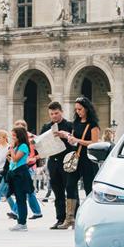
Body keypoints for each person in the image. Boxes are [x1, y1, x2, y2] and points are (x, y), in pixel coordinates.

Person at [59, 96, 100, 230]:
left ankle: (90, 217)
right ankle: (70, 217)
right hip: (76, 158)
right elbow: (73, 137)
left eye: (80, 109)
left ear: (87, 109)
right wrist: (69, 138)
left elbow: (94, 143)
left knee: (89, 188)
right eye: (76, 109)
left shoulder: (93, 125)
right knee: (70, 185)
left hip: (88, 159)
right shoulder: (75, 123)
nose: (78, 112)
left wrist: (77, 140)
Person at [39, 101, 74, 228]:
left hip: (67, 161)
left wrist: (65, 136)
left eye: (56, 113)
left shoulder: (69, 125)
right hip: (53, 162)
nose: (54, 116)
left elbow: (74, 143)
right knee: (57, 191)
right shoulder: (46, 127)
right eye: (51, 114)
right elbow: (41, 144)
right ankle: (60, 219)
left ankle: (73, 217)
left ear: (61, 112)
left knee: (70, 190)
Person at [12, 119, 44, 220]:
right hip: (18, 167)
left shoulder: (32, 138)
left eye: (22, 125)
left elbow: (42, 150)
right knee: (28, 191)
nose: (19, 126)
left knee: (24, 190)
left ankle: (15, 211)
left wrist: (35, 158)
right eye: (17, 125)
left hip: (29, 167)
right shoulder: (16, 140)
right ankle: (37, 212)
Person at [7, 126, 35, 232]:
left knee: (21, 199)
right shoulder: (18, 146)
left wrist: (11, 150)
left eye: (14, 135)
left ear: (20, 136)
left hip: (21, 174)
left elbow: (15, 158)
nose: (13, 137)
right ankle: (20, 222)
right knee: (19, 199)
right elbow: (14, 160)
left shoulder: (23, 146)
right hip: (16, 173)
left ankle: (22, 222)